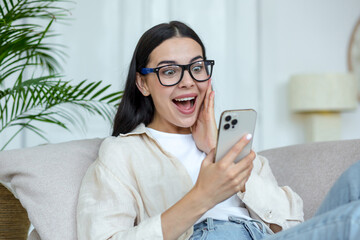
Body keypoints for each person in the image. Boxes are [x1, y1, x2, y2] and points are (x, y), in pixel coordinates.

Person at [77, 21, 360, 240]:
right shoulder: (122, 153)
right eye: (169, 71)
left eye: (197, 68)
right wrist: (202, 197)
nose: (188, 81)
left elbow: (293, 221)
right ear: (143, 84)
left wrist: (217, 150)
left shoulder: (228, 141)